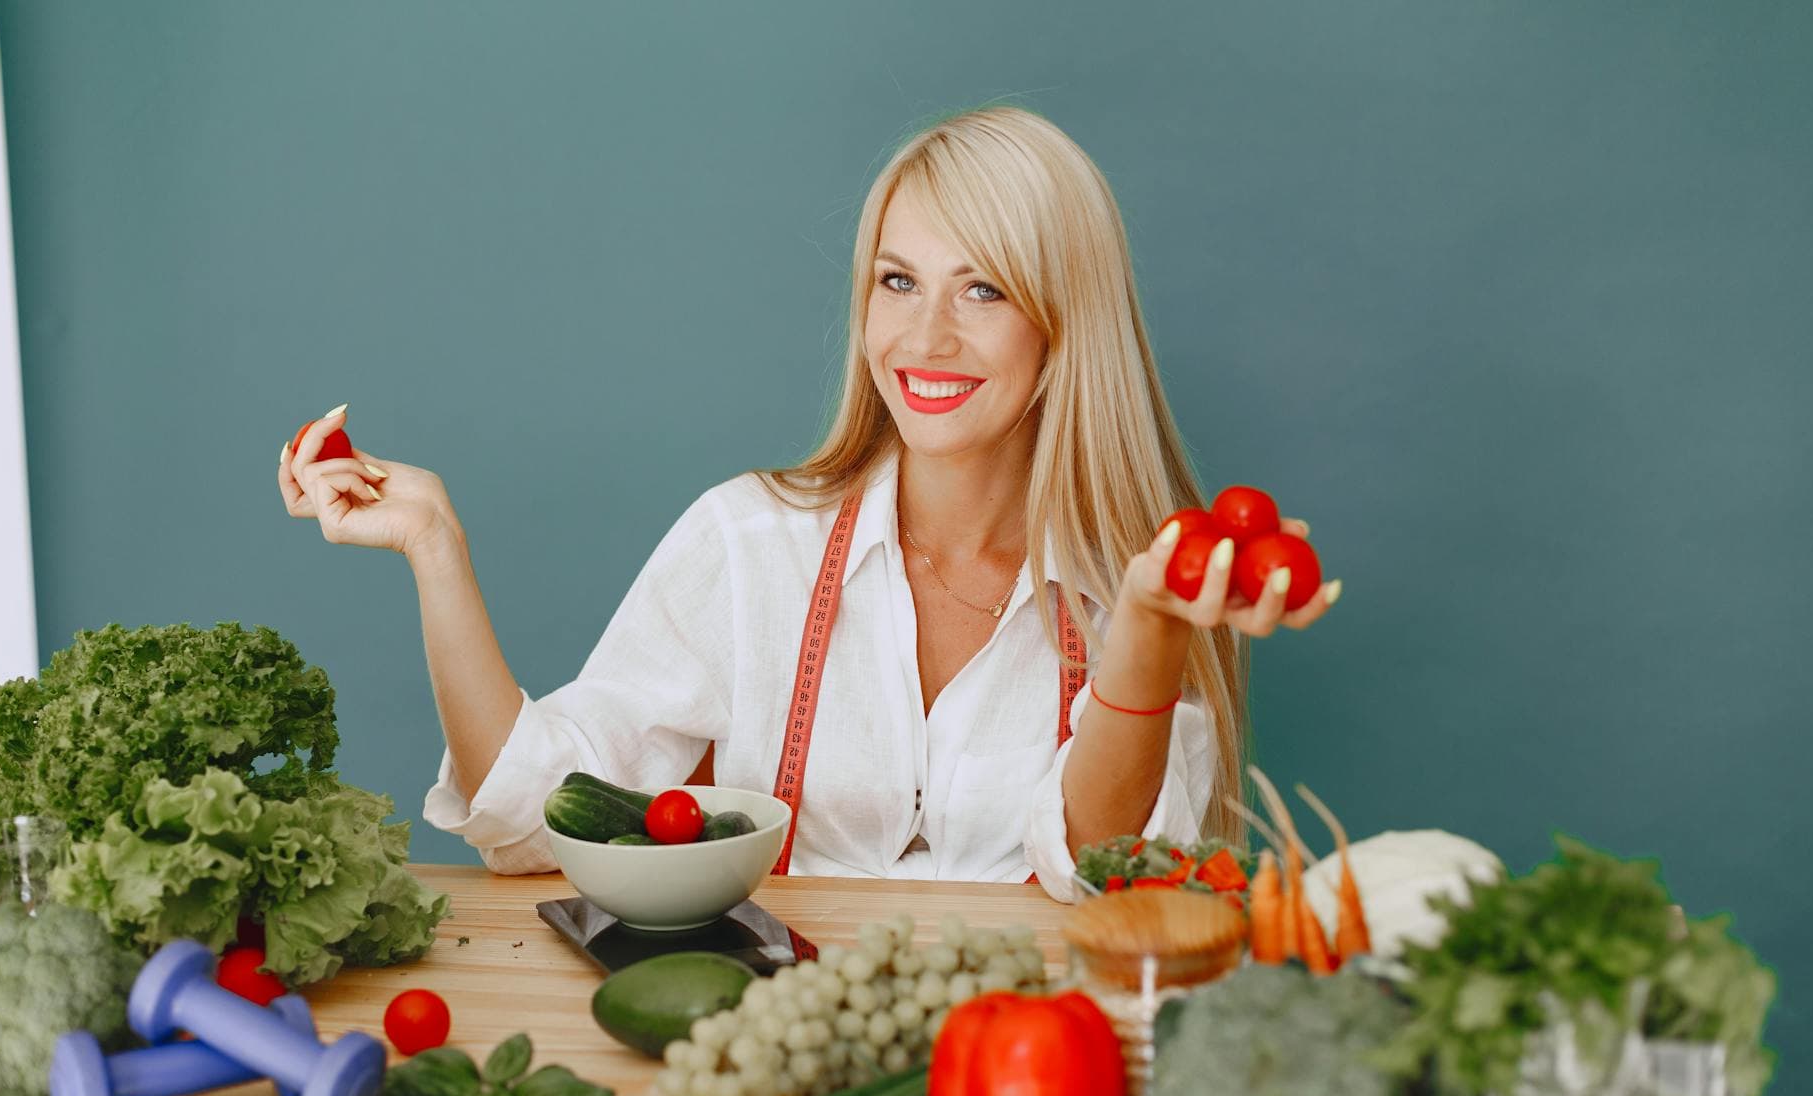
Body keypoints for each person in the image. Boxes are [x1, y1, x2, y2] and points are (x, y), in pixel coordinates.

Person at [276, 105, 1336, 903]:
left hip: (1038, 1078)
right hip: (785, 1066)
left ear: (1064, 325)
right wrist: (433, 546)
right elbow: (528, 819)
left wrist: (1145, 630)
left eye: (983, 290)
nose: (923, 340)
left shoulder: (1153, 588)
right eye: (896, 281)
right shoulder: (749, 545)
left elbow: (1104, 872)